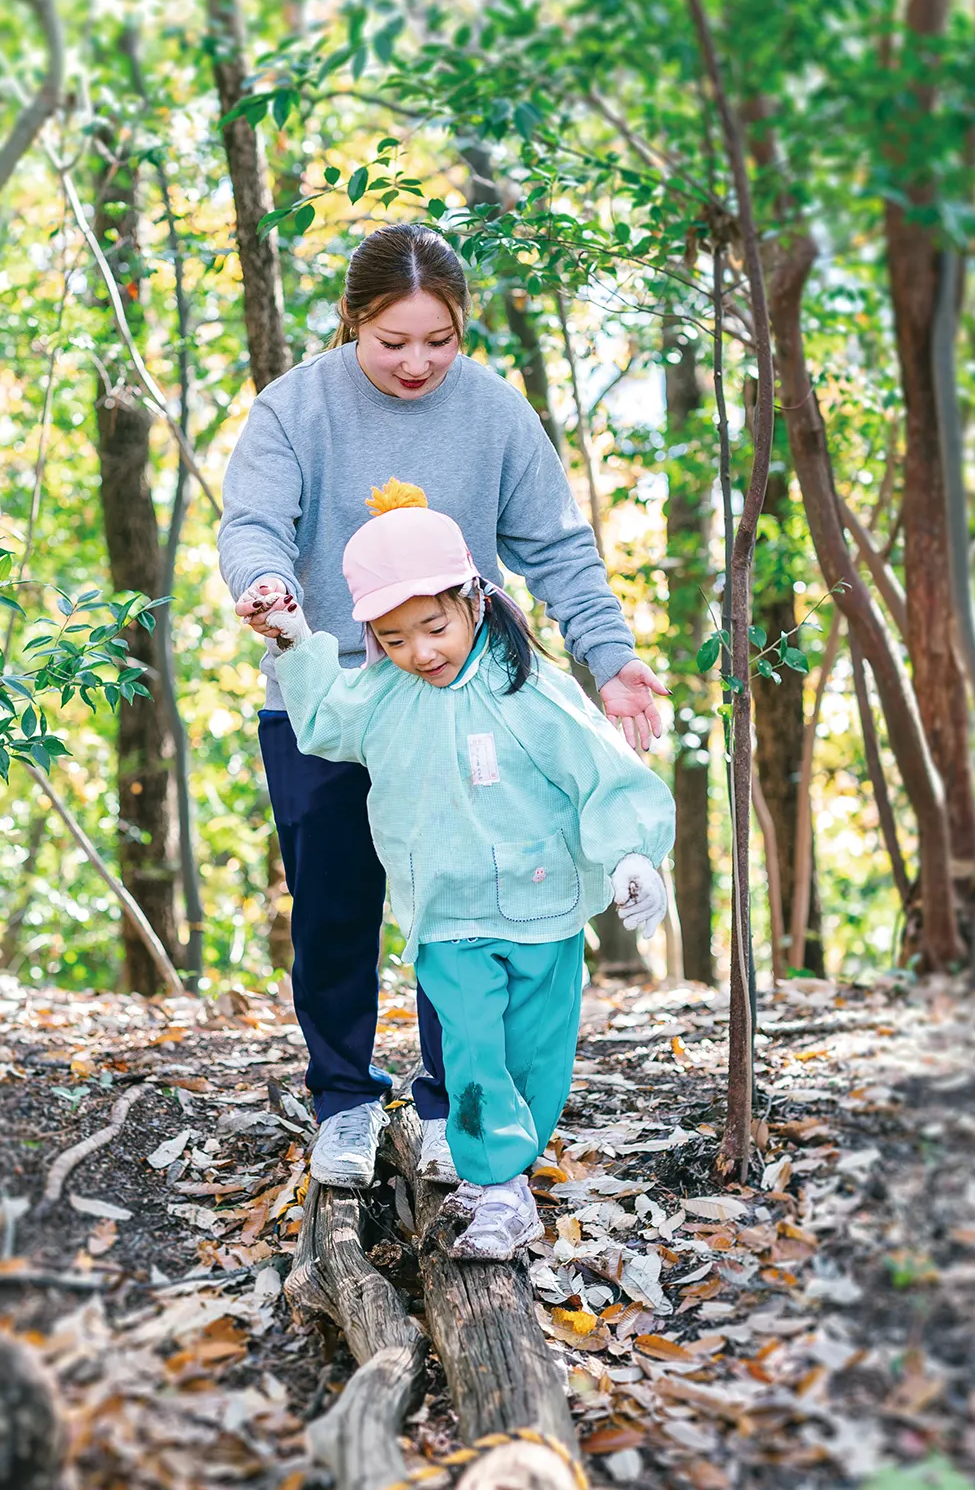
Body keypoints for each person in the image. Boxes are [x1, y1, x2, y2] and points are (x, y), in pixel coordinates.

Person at [217, 222, 667, 1191]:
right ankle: (343, 1097)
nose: (419, 362)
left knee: (460, 906)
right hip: (334, 690)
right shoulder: (295, 410)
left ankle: (445, 1102)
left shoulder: (496, 414)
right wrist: (265, 589)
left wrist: (612, 658)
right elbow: (253, 522)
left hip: (465, 693)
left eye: (441, 340)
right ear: (353, 322)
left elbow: (555, 546)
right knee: (334, 910)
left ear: (464, 328)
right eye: (394, 342)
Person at [260, 481, 671, 1256]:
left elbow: (601, 771)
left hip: (543, 911)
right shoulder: (385, 693)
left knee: (537, 1062)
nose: (419, 652)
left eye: (433, 626)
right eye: (392, 637)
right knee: (475, 1052)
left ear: (474, 599)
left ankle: (512, 1161)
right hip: (448, 916)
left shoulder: (529, 688)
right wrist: (292, 639)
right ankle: (498, 1190)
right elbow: (318, 723)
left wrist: (632, 854)